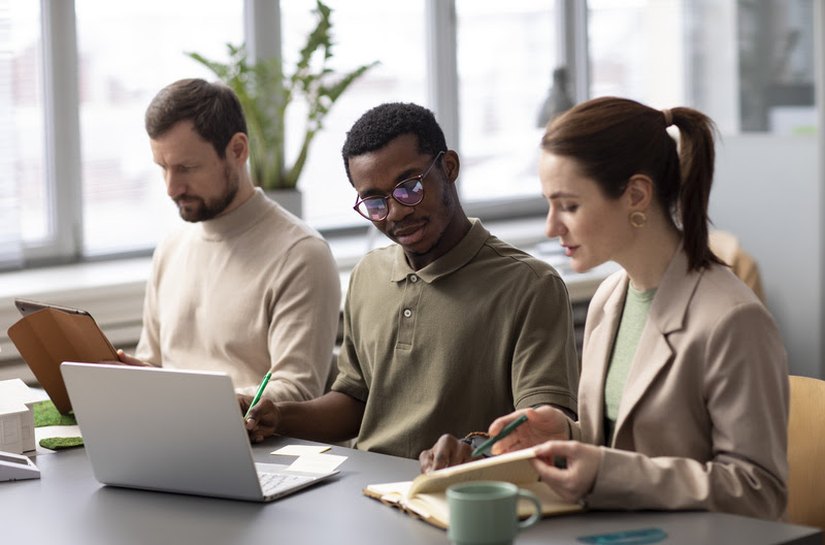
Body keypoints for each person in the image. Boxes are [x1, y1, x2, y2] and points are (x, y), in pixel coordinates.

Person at [419, 96, 788, 520]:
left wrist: (604, 471)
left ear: (636, 195)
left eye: (569, 205)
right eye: (549, 203)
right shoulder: (610, 299)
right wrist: (566, 435)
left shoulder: (733, 320)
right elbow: (625, 445)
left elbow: (759, 492)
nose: (551, 226)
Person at [262, 102, 580, 459]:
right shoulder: (368, 275)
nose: (396, 211)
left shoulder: (531, 285)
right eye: (375, 202)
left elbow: (542, 430)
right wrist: (277, 416)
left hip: (459, 495)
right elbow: (355, 402)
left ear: (449, 168)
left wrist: (472, 451)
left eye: (409, 187)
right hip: (363, 489)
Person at [118, 79, 341, 440]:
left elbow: (299, 391)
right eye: (162, 167)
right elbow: (156, 365)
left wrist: (208, 406)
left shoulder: (301, 254)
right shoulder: (171, 248)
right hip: (171, 440)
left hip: (257, 450)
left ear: (237, 150)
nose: (171, 188)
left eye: (187, 168)